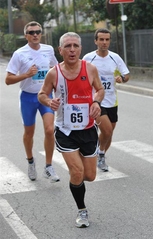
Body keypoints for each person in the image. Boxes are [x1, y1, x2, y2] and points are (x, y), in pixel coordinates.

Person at [38, 32, 104, 228]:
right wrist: (49, 101)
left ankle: (76, 180)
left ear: (80, 49)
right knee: (77, 171)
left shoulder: (90, 69)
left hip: (88, 129)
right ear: (60, 50)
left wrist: (97, 102)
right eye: (67, 46)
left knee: (89, 175)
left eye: (75, 45)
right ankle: (82, 210)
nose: (72, 49)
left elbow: (100, 90)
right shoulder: (54, 73)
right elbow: (42, 94)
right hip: (65, 131)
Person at [5, 21, 60, 182]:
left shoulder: (48, 50)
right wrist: (26, 75)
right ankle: (30, 162)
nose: (35, 34)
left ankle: (49, 166)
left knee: (50, 130)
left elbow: (56, 70)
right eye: (31, 32)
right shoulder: (19, 54)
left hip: (45, 96)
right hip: (28, 97)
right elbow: (8, 79)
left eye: (37, 31)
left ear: (41, 34)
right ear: (26, 35)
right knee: (29, 133)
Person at [82, 28, 130, 172]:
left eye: (107, 39)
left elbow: (126, 75)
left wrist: (122, 79)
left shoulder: (115, 57)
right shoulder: (88, 58)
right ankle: (99, 154)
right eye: (101, 39)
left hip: (112, 101)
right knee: (107, 130)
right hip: (96, 100)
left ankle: (101, 153)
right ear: (96, 41)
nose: (104, 42)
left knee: (109, 133)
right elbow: (80, 74)